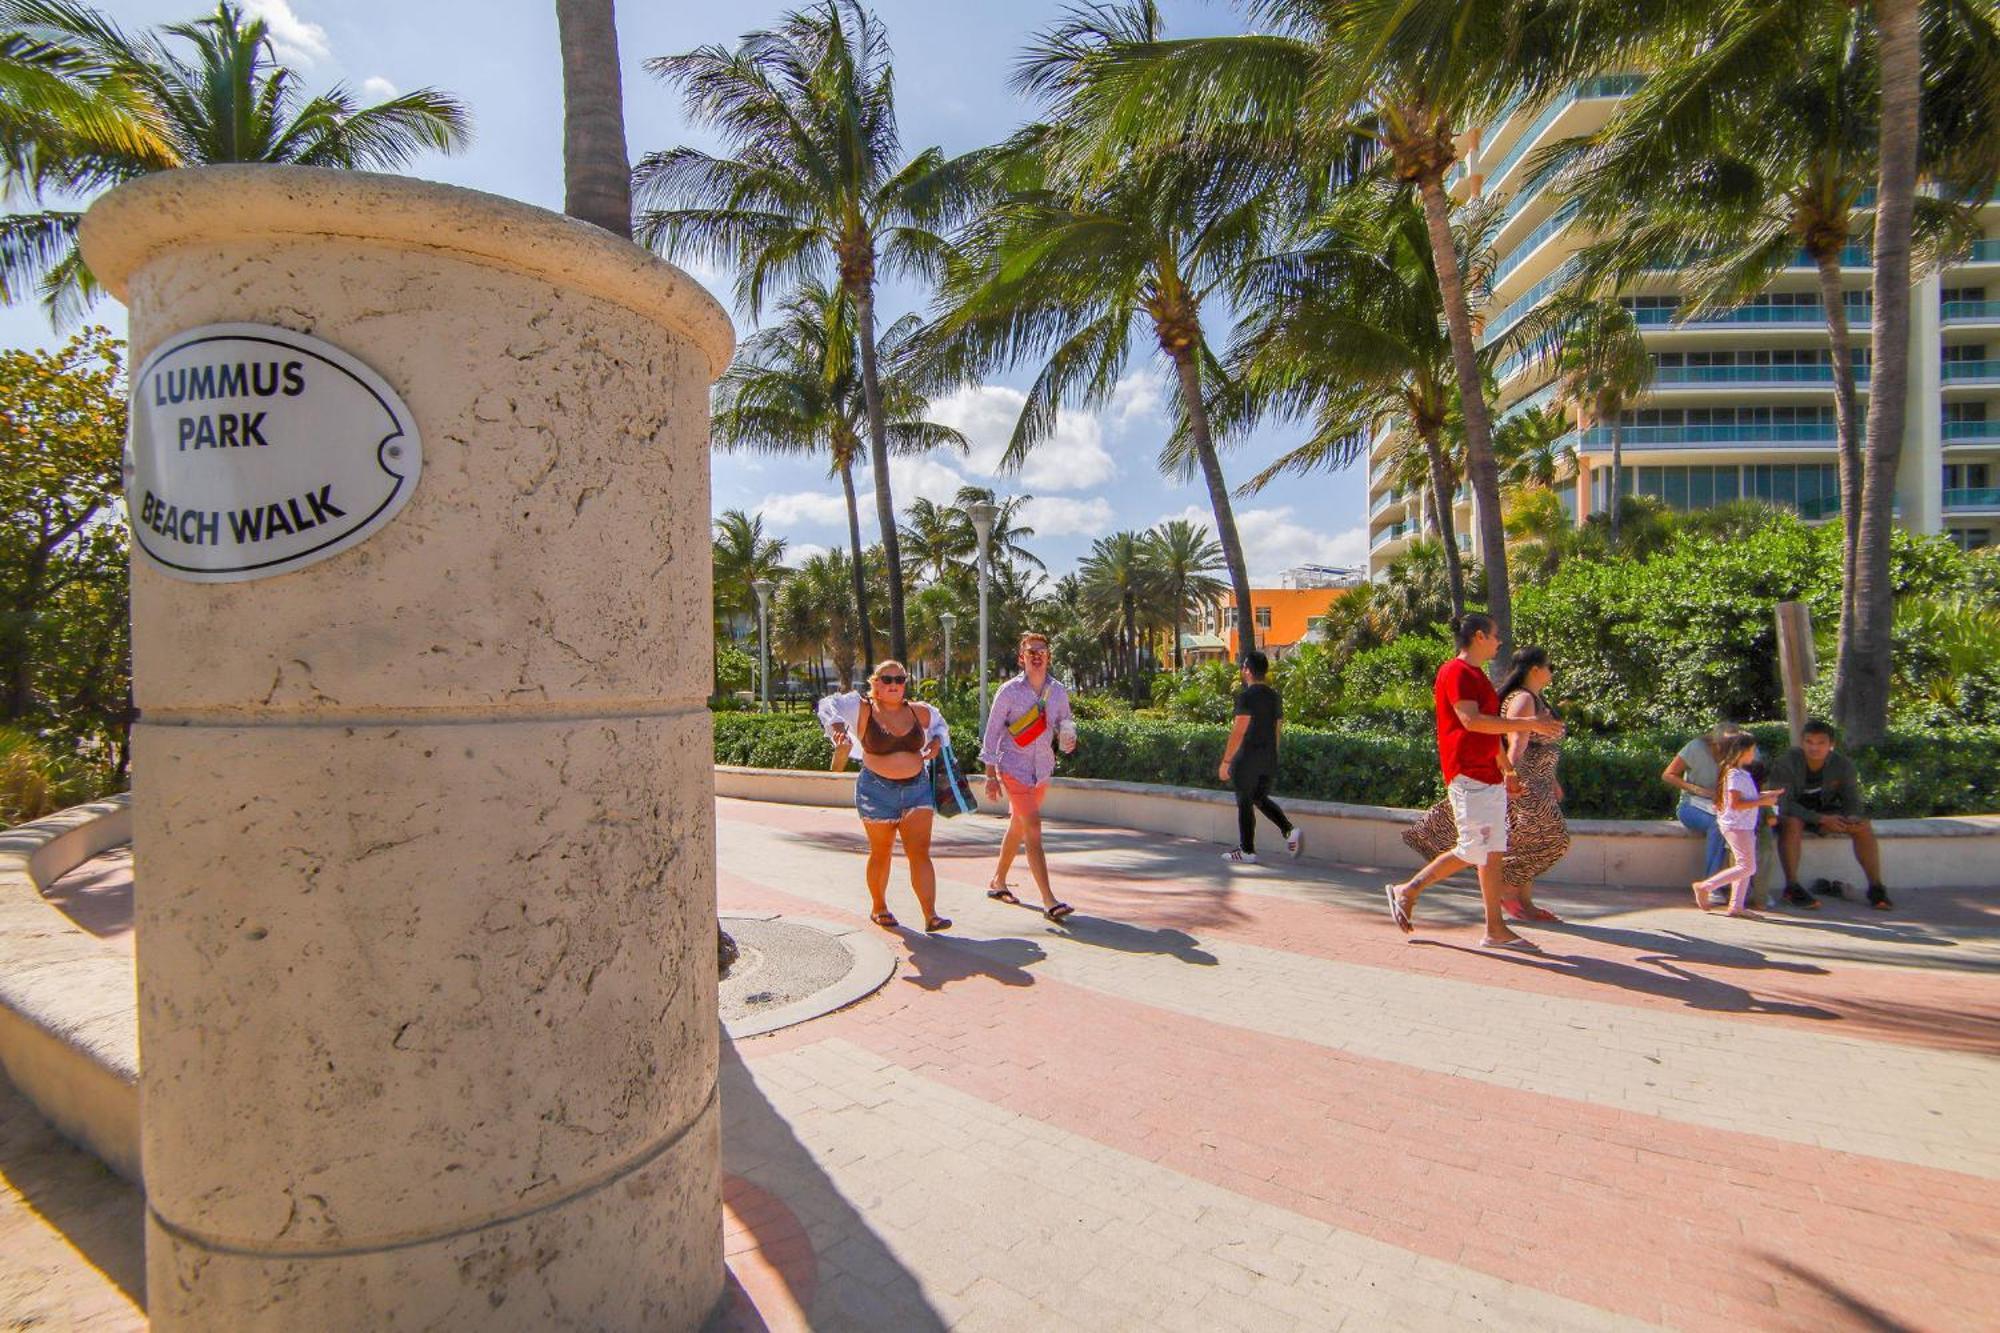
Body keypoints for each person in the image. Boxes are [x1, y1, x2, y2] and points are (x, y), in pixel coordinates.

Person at [1384, 615, 1566, 951]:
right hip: (1468, 776)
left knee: (1492, 853)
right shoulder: (1455, 672)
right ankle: (1407, 891)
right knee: (1473, 849)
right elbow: (1471, 721)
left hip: (1488, 778)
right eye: (1495, 636)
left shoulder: (1478, 677)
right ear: (1479, 636)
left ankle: (1495, 930)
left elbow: (1491, 731)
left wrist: (1507, 772)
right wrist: (1532, 724)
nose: (1499, 643)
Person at [822, 661, 951, 932]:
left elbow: (940, 725)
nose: (894, 684)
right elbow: (827, 704)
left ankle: (931, 915)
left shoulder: (919, 711)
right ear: (875, 683)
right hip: (876, 792)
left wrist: (937, 742)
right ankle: (879, 907)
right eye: (887, 678)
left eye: (900, 679)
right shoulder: (862, 708)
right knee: (881, 852)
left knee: (920, 853)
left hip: (917, 788)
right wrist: (836, 728)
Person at [980, 631, 1078, 923]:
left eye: (1042, 650)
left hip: (1042, 769)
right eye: (1030, 651)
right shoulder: (1009, 691)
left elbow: (1064, 722)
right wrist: (990, 775)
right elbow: (993, 732)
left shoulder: (1058, 691)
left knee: (1018, 827)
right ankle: (1049, 901)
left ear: (1048, 656)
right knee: (1033, 826)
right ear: (1021, 658)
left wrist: (1068, 736)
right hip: (1014, 768)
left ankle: (998, 881)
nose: (1037, 655)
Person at [1769, 719, 1893, 911]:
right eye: (1809, 742)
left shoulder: (1843, 765)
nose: (1814, 748)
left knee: (1863, 826)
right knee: (1791, 822)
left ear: (1831, 745)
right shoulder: (1786, 763)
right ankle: (1792, 887)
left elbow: (1852, 799)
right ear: (1802, 743)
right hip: (1793, 813)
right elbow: (1783, 804)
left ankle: (1876, 888)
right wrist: (1820, 820)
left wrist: (1851, 818)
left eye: (1821, 743)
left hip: (1824, 811)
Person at [1219, 650, 1301, 864]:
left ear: (1247, 670)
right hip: (1268, 758)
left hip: (1247, 758)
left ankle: (1246, 850)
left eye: (1243, 667)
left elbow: (1239, 731)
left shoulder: (1247, 696)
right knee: (1258, 798)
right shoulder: (1274, 696)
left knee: (1244, 801)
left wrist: (1227, 761)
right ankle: (1288, 830)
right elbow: (1277, 729)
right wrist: (1272, 756)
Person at [1690, 733, 1783, 916]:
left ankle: (1736, 906)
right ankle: (1705, 886)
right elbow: (1736, 804)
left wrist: (1765, 796)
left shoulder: (1741, 774)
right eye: (1752, 750)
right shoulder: (1735, 775)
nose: (1754, 754)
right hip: (1736, 826)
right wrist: (1763, 802)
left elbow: (1745, 798)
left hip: (1743, 826)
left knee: (1745, 866)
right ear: (1743, 751)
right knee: (1747, 866)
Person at [1663, 724, 1744, 896]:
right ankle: (1711, 885)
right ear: (1714, 743)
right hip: (1692, 805)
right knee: (1718, 825)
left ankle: (1747, 888)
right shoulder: (1695, 747)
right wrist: (1698, 790)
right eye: (1722, 749)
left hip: (1725, 806)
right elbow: (1668, 774)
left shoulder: (1744, 750)